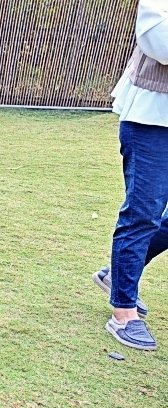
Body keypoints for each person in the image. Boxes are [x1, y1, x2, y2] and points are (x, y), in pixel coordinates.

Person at [91, 0, 168, 351]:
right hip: (152, 119)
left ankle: (115, 273)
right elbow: (157, 40)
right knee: (143, 213)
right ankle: (123, 312)